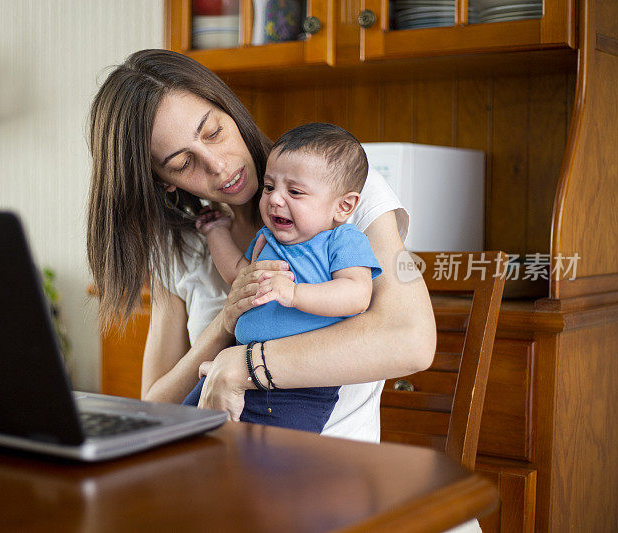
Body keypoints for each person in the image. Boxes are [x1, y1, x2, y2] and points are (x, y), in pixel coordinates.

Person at [87, 49, 436, 443]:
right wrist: (223, 327)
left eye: (214, 132)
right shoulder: (181, 244)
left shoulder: (337, 192)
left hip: (333, 472)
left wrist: (243, 365)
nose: (218, 166)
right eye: (183, 163)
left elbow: (412, 340)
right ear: (162, 180)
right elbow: (154, 405)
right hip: (221, 473)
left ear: (230, 110)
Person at [182, 123, 382, 433]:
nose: (275, 199)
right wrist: (215, 231)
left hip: (299, 385)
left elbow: (357, 294)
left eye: (295, 192)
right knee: (183, 428)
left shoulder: (342, 239)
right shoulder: (269, 240)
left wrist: (294, 294)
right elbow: (238, 273)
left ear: (343, 206)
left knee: (269, 458)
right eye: (269, 187)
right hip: (237, 370)